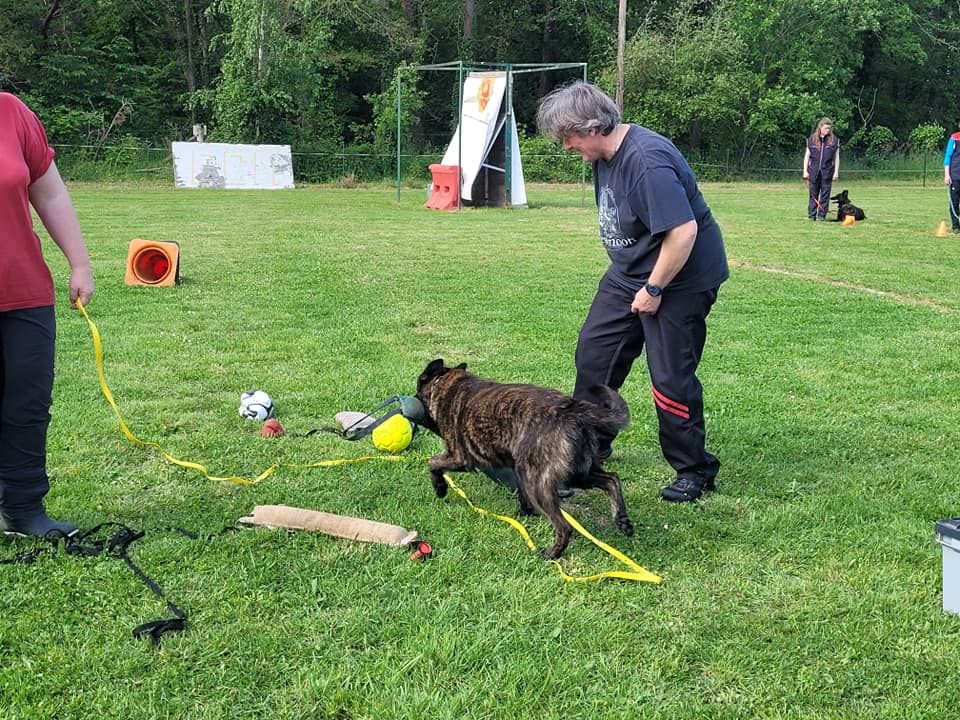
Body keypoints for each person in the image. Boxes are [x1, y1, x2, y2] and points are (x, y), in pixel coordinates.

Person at [536, 81, 728, 502]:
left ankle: (694, 470)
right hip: (630, 272)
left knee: (670, 376)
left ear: (590, 127)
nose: (565, 147)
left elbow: (683, 231)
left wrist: (655, 288)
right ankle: (586, 454)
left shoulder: (646, 161)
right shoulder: (604, 154)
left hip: (679, 278)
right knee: (595, 356)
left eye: (567, 137)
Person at [0, 92, 94, 536]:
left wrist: (79, 263)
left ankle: (23, 508)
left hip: (25, 294)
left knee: (27, 406)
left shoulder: (12, 113)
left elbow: (51, 193)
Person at [802, 117, 840, 220]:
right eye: (826, 128)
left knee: (825, 195)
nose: (828, 130)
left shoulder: (834, 141)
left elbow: (836, 158)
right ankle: (812, 215)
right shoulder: (811, 140)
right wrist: (805, 171)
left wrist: (836, 172)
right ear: (820, 127)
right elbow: (807, 157)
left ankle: (821, 216)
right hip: (813, 172)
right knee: (813, 194)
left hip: (827, 172)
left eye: (829, 128)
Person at [944, 123, 960, 233]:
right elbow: (947, 157)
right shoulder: (954, 138)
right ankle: (956, 227)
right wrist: (947, 175)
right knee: (954, 202)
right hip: (955, 176)